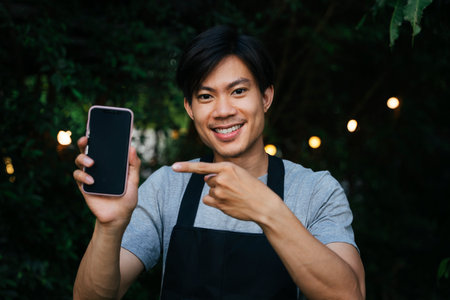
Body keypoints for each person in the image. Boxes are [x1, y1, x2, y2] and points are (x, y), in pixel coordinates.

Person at [73, 25, 365, 299]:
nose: (223, 110)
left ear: (265, 97)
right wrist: (109, 227)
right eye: (205, 96)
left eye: (238, 91)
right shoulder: (167, 187)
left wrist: (268, 209)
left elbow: (349, 294)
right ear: (189, 108)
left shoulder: (316, 191)